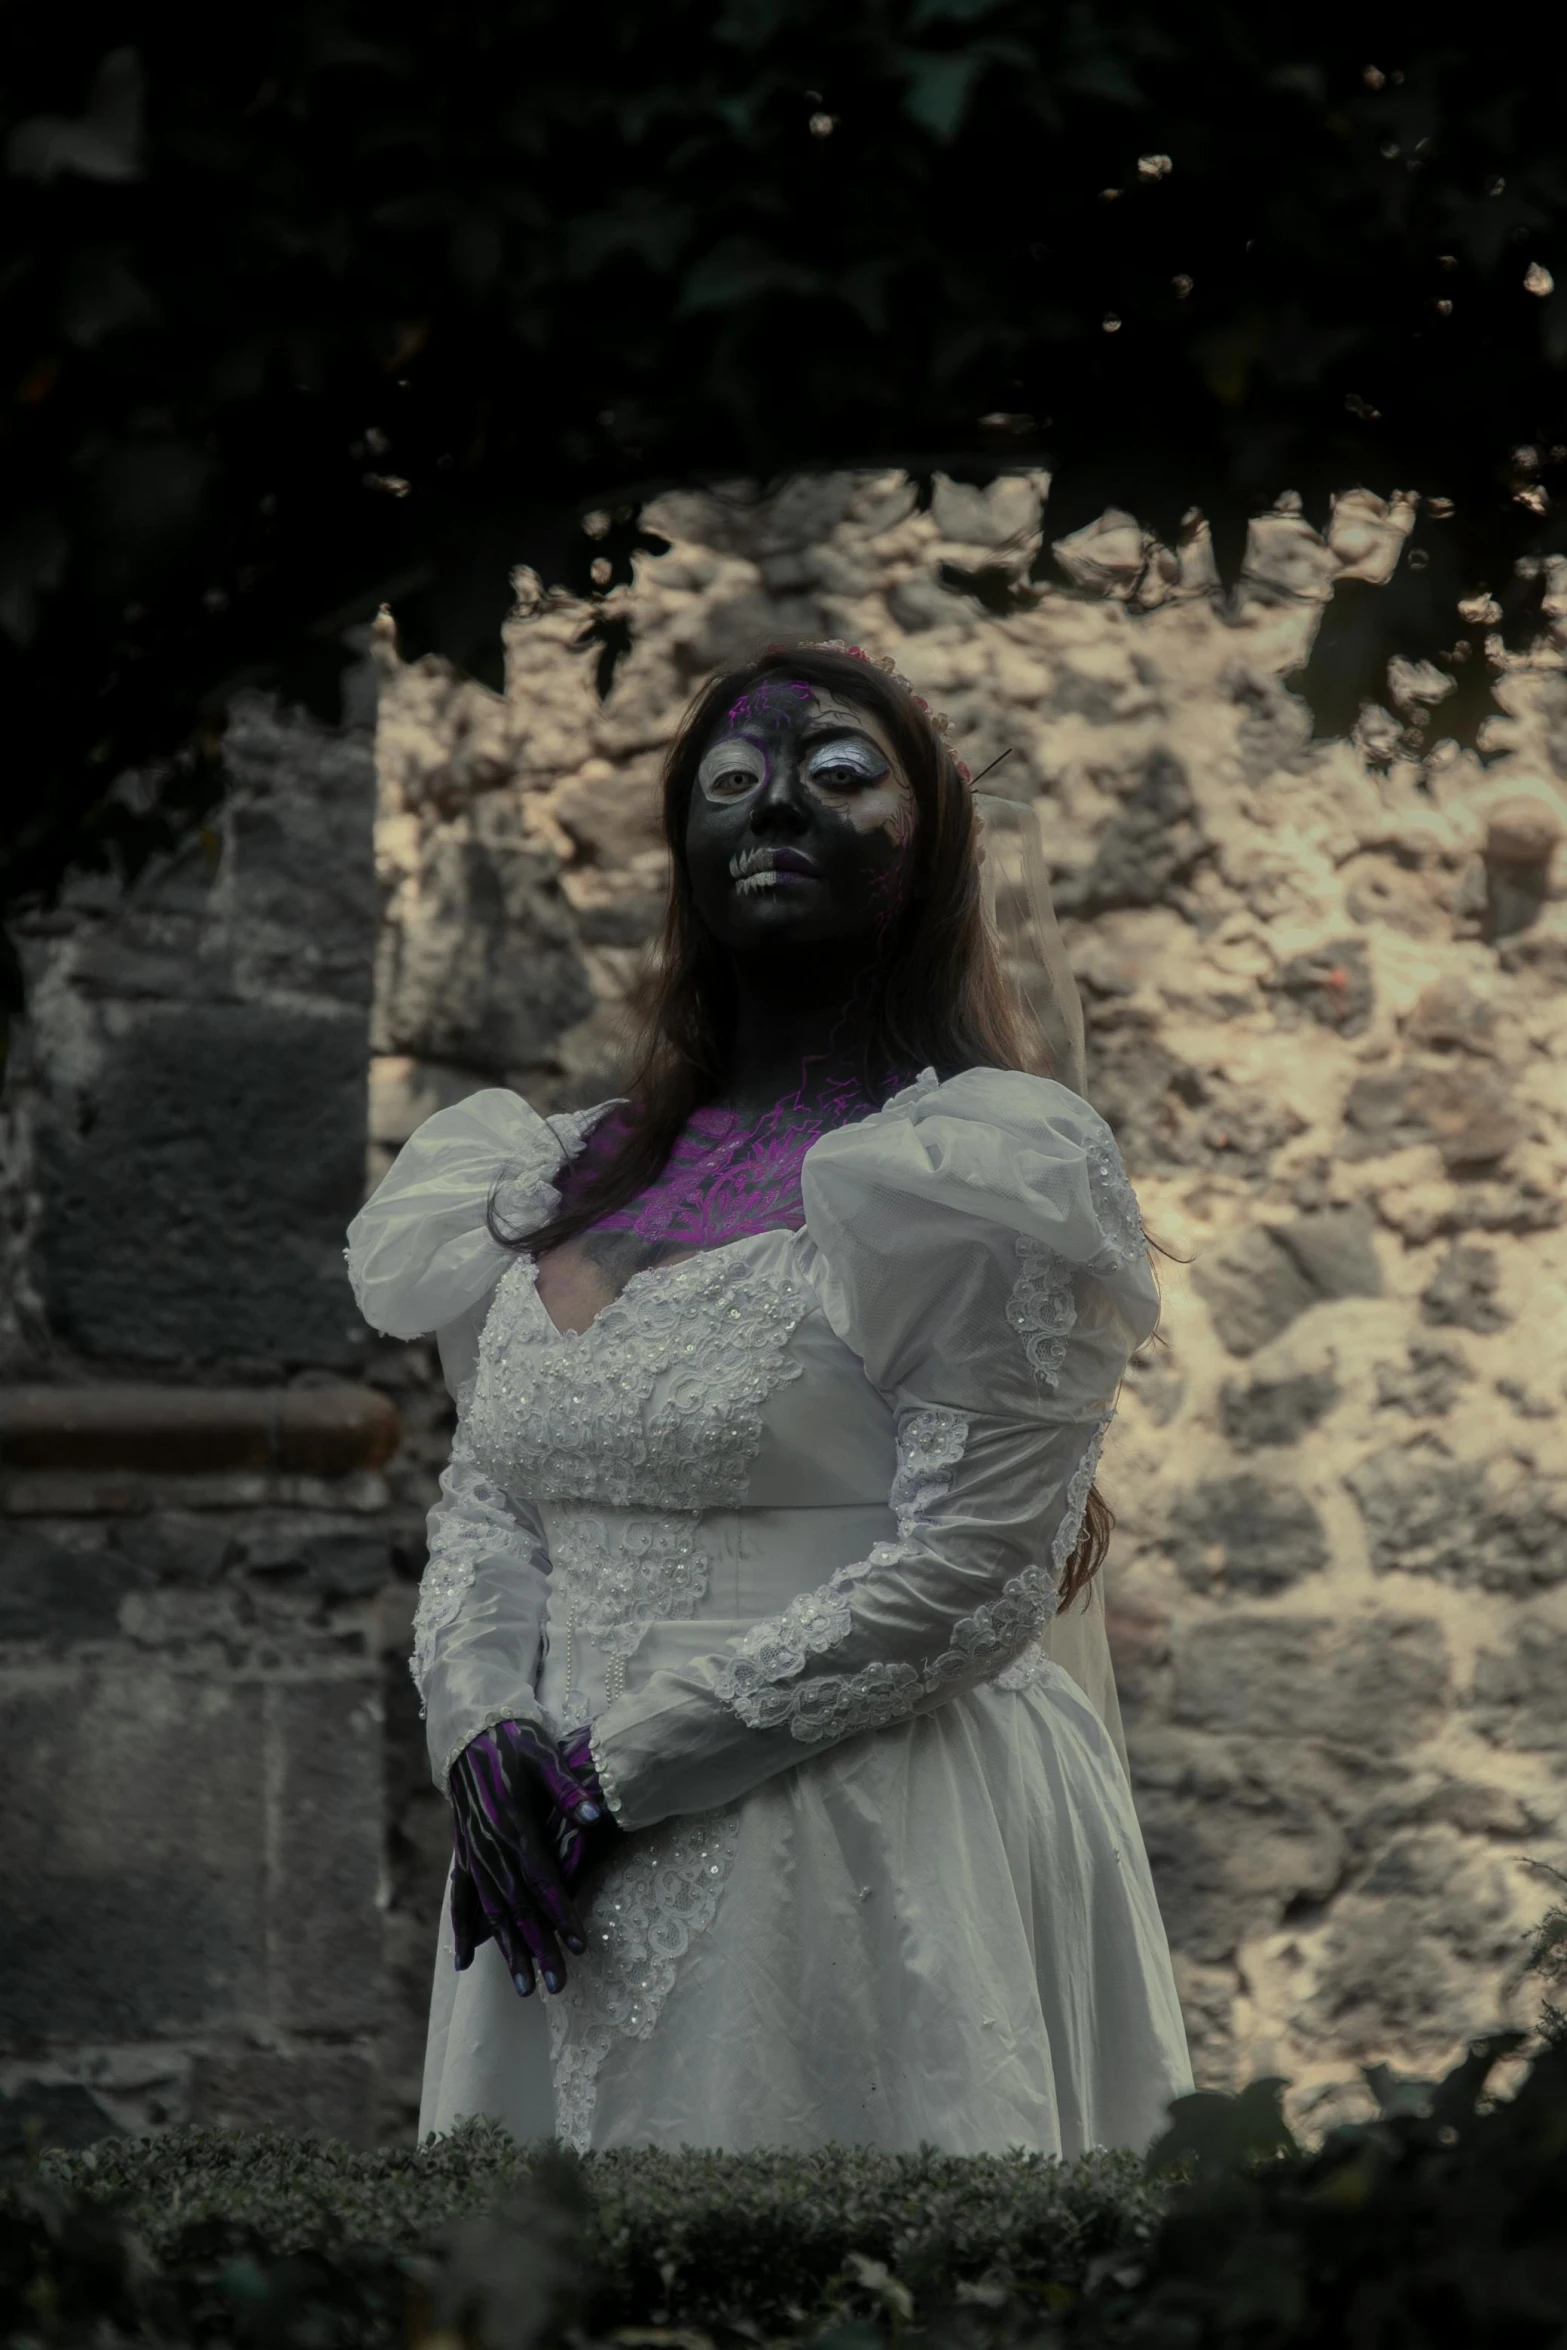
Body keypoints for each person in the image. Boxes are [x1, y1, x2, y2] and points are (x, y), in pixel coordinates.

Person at [346, 640, 1193, 2157]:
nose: (777, 806)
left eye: (840, 776)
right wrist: (483, 1734)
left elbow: (975, 1569)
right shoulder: (561, 1169)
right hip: (551, 1856)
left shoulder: (973, 1167)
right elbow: (492, 1495)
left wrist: (624, 1769)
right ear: (682, 850)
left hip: (858, 1829)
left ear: (928, 842)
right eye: (730, 784)